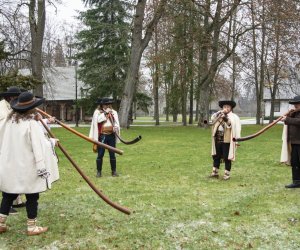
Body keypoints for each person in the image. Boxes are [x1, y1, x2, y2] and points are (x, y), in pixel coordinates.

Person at [0, 92, 58, 235]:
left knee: (8, 194)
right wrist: (52, 142)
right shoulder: (31, 124)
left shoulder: (8, 122)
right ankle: (31, 227)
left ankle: (0, 223)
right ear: (31, 108)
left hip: (11, 164)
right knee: (32, 195)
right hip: (28, 165)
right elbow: (39, 145)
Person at [0, 86, 25, 214]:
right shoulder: (2, 108)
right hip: (3, 145)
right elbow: (6, 123)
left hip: (11, 144)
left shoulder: (10, 107)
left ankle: (16, 200)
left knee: (16, 171)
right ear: (10, 98)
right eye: (16, 98)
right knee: (7, 174)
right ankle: (5, 205)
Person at [209, 100, 241, 180]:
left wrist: (237, 140)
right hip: (217, 138)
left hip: (227, 140)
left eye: (228, 107)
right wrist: (219, 113)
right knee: (216, 156)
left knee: (227, 157)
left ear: (231, 108)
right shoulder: (219, 115)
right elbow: (212, 118)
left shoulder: (234, 117)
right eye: (224, 107)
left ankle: (227, 174)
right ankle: (215, 172)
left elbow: (233, 126)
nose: (226, 108)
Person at [89, 97, 120, 177]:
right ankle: (99, 172)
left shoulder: (113, 112)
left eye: (108, 104)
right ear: (102, 105)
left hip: (111, 135)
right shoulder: (97, 112)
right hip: (102, 135)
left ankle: (114, 171)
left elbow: (116, 123)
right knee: (100, 154)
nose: (107, 106)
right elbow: (98, 120)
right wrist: (105, 113)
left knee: (112, 153)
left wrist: (115, 128)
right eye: (105, 104)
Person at [281, 95, 300, 188]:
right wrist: (287, 117)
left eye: (297, 103)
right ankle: (296, 181)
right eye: (295, 104)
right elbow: (292, 121)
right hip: (294, 142)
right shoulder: (295, 113)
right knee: (295, 162)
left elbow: (298, 121)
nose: (295, 105)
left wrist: (287, 119)